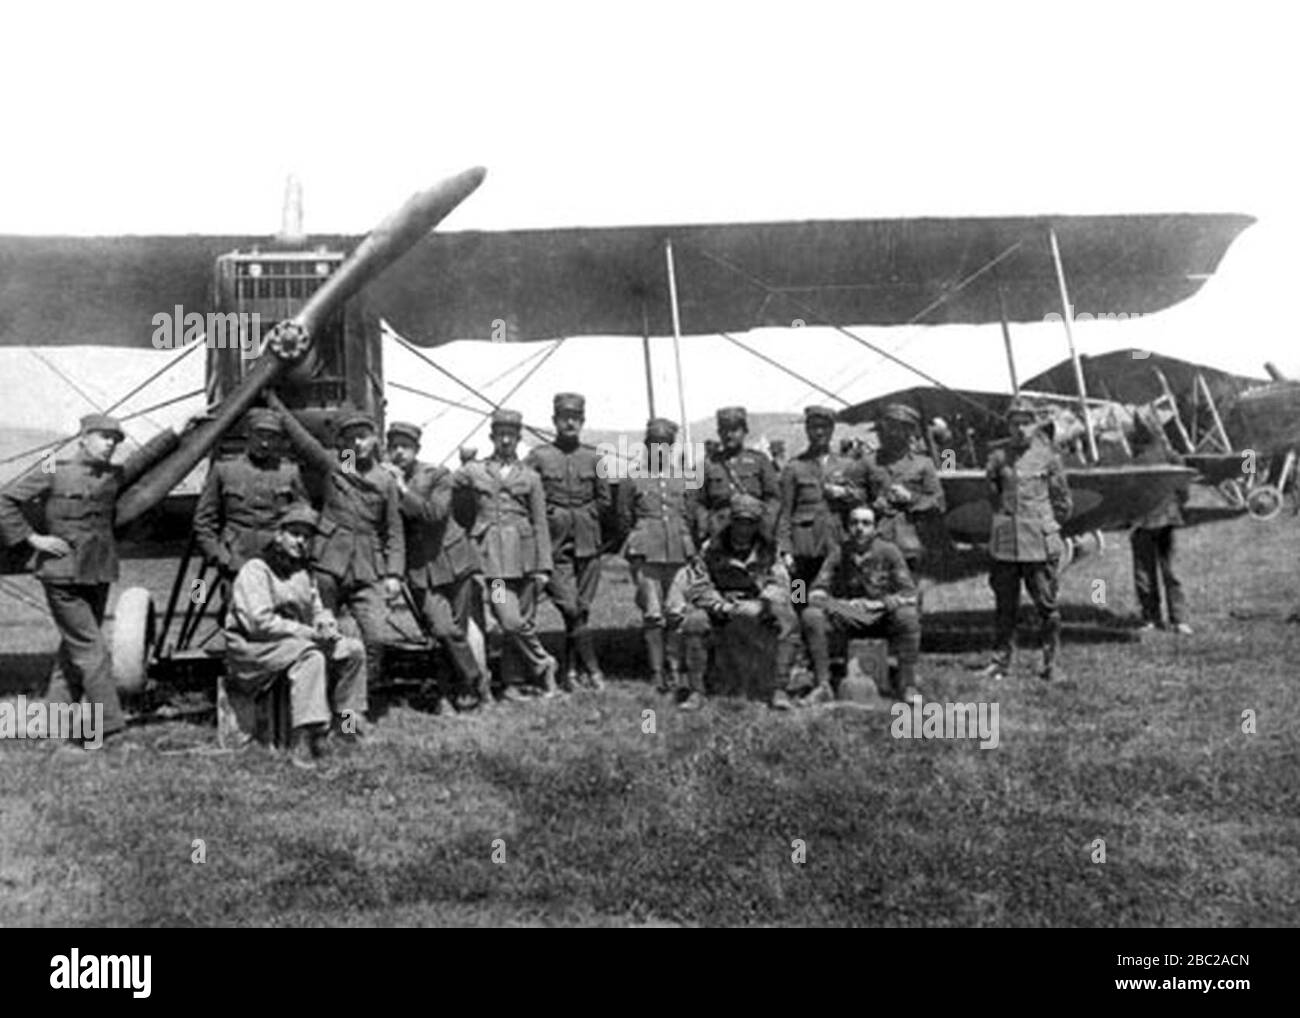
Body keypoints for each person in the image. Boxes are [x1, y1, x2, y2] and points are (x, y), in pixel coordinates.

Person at [0, 414, 160, 750]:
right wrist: (33, 539)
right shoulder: (53, 468)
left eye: (116, 440)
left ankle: (51, 731)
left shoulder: (113, 475)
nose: (111, 444)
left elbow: (146, 459)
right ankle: (112, 732)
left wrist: (181, 428)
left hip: (97, 572)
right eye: (104, 437)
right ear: (83, 438)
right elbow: (5, 499)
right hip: (61, 574)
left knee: (73, 652)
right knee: (92, 649)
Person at [224, 504, 367, 769]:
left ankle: (346, 727)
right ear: (278, 535)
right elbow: (258, 622)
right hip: (253, 648)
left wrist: (326, 624)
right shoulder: (256, 569)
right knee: (312, 657)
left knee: (353, 650)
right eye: (294, 534)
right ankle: (306, 739)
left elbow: (316, 608)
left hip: (292, 643)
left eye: (306, 536)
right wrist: (309, 633)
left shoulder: (304, 570)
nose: (301, 541)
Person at [278, 408, 404, 704]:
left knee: (376, 638)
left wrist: (395, 574)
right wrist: (274, 404)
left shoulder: (385, 480)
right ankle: (326, 700)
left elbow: (394, 530)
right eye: (351, 439)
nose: (358, 444)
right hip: (329, 563)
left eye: (363, 437)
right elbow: (305, 441)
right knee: (324, 633)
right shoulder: (337, 467)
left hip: (367, 566)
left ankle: (358, 696)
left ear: (374, 440)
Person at [384, 420, 490, 713]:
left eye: (404, 447)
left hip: (454, 562)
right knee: (442, 630)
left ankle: (448, 693)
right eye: (393, 447)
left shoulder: (438, 475)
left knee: (454, 629)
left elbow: (434, 513)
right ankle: (474, 679)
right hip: (419, 569)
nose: (398, 453)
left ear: (416, 450)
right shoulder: (383, 478)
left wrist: (402, 488)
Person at [454, 408, 559, 700]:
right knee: (509, 620)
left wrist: (543, 567)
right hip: (493, 562)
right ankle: (544, 663)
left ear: (518, 438)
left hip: (525, 558)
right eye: (500, 435)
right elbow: (450, 485)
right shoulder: (475, 470)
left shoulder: (531, 477)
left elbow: (540, 523)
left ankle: (512, 683)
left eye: (510, 436)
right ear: (492, 437)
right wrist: (463, 460)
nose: (505, 441)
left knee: (522, 621)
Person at [981, 397, 1074, 681]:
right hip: (1007, 541)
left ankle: (1051, 663)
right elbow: (992, 494)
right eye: (1015, 423)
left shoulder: (1049, 457)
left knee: (1046, 606)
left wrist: (1047, 527)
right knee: (1004, 606)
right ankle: (1000, 661)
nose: (1020, 428)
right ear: (1008, 425)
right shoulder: (998, 457)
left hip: (1039, 541)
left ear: (1036, 424)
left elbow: (1063, 503)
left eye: (1026, 422)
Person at [680, 494, 800, 711]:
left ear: (757, 524)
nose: (743, 528)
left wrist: (761, 603)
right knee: (694, 622)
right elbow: (698, 584)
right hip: (722, 604)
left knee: (788, 620)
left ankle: (779, 689)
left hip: (758, 603)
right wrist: (719, 605)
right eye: (739, 521)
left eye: (749, 523)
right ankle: (696, 691)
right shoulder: (711, 548)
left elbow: (782, 583)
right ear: (731, 521)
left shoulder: (769, 549)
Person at [525, 393, 611, 691]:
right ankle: (594, 669)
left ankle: (571, 672)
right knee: (571, 608)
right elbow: (525, 495)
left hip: (588, 542)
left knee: (582, 610)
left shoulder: (596, 456)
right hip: (554, 544)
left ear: (583, 421)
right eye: (564, 418)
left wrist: (586, 518)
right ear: (554, 421)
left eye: (575, 418)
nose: (570, 422)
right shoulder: (539, 457)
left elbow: (605, 500)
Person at [802, 505, 921, 704]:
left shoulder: (889, 551)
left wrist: (881, 604)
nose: (859, 528)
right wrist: (841, 605)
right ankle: (822, 685)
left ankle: (907, 684)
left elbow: (910, 594)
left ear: (875, 529)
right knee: (811, 615)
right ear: (848, 527)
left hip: (883, 615)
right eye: (854, 523)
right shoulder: (839, 552)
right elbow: (814, 592)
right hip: (849, 613)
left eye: (866, 523)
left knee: (907, 616)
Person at [617, 418, 695, 693]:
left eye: (665, 445)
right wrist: (637, 545)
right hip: (646, 553)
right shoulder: (632, 478)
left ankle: (675, 668)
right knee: (652, 614)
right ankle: (656, 671)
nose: (659, 450)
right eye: (654, 445)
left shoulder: (683, 478)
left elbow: (691, 516)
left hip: (677, 552)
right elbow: (624, 518)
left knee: (676, 612)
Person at [193, 408, 307, 581]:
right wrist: (219, 556)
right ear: (248, 434)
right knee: (199, 584)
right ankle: (197, 599)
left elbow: (304, 519)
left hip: (277, 562)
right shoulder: (224, 469)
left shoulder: (289, 472)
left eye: (272, 437)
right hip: (236, 560)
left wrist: (292, 554)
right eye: (260, 435)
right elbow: (203, 520)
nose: (265, 443)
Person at [777, 405, 869, 595]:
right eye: (814, 427)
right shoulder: (794, 467)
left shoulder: (847, 465)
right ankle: (798, 623)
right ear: (807, 430)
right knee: (799, 595)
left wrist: (845, 494)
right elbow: (785, 511)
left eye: (824, 427)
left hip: (837, 541)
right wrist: (786, 550)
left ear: (832, 429)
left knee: (836, 593)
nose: (819, 432)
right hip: (803, 546)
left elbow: (863, 499)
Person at [868, 403, 946, 584]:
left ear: (909, 432)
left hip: (911, 542)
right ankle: (797, 600)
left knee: (909, 600)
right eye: (888, 428)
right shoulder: (868, 463)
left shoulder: (924, 463)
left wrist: (911, 498)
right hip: (877, 540)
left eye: (900, 429)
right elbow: (854, 497)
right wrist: (872, 505)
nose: (892, 434)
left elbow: (938, 501)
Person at [1129, 414, 1192, 634]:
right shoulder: (1170, 456)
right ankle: (1177, 620)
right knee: (1168, 572)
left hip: (1149, 521)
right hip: (1162, 519)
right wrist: (1178, 504)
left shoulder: (1134, 460)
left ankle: (1153, 618)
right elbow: (1184, 490)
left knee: (1147, 573)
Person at [691, 405, 780, 544]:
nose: (729, 435)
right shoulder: (704, 465)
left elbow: (774, 497)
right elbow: (695, 502)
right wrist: (706, 526)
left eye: (734, 430)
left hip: (753, 533)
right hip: (719, 534)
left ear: (745, 431)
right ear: (719, 433)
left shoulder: (760, 460)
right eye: (724, 430)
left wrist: (765, 524)